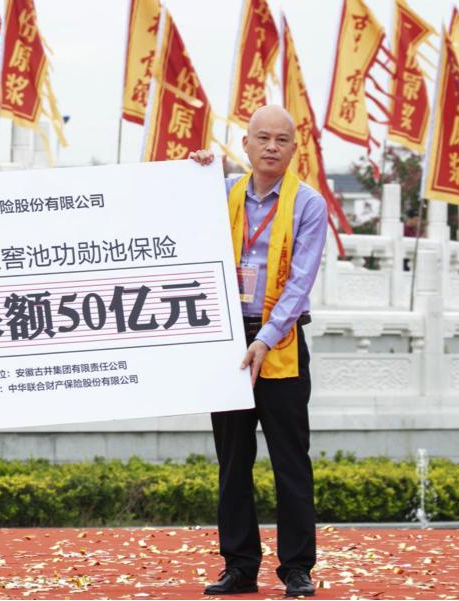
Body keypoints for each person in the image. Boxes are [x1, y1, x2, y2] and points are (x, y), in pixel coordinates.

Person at [190, 104, 327, 598]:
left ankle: (297, 568)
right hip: (228, 344)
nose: (271, 147)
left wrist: (265, 339)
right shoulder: (223, 192)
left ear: (294, 149)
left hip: (280, 342)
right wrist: (196, 171)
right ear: (244, 144)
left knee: (291, 461)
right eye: (262, 138)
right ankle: (239, 565)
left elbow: (300, 281)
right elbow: (176, 219)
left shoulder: (308, 204)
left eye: (281, 140)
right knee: (233, 461)